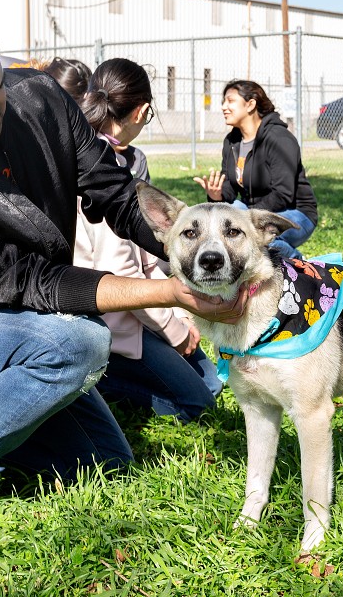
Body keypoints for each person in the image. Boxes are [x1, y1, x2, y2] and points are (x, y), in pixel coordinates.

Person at [0, 0, 245, 520]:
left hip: (19, 322)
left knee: (103, 461)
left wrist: (201, 252)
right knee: (79, 340)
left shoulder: (39, 96)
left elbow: (117, 195)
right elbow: (26, 279)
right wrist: (173, 292)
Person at [73, 57, 223, 422]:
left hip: (135, 311)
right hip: (103, 324)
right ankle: (96, 381)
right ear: (141, 112)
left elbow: (144, 257)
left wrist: (176, 316)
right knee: (197, 404)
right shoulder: (100, 166)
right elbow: (120, 272)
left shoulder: (106, 154)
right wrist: (174, 330)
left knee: (213, 382)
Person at [194, 79, 318, 260]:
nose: (223, 107)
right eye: (223, 101)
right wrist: (217, 195)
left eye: (230, 101)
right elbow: (230, 188)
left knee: (255, 237)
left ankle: (298, 264)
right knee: (221, 225)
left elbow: (283, 194)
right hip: (253, 210)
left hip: (297, 213)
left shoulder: (279, 138)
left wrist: (247, 219)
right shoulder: (232, 141)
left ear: (250, 104)